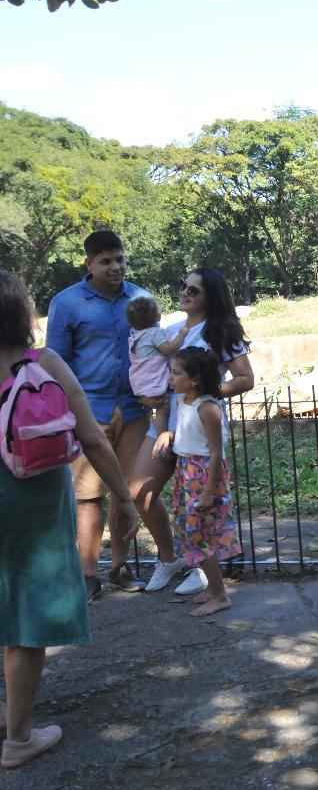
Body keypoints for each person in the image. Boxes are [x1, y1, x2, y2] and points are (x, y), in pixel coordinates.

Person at [0, 270, 135, 768]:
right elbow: (95, 440)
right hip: (33, 504)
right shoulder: (45, 363)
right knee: (27, 619)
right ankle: (18, 738)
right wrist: (122, 497)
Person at [128, 268, 254, 597]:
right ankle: (170, 559)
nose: (185, 293)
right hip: (165, 424)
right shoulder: (171, 331)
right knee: (140, 493)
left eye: (194, 290)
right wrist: (152, 401)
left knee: (196, 505)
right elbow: (157, 376)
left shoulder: (222, 331)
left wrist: (203, 393)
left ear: (210, 296)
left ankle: (200, 569)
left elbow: (245, 378)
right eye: (183, 286)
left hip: (197, 431)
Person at [45, 230, 150, 599]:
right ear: (89, 263)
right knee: (89, 495)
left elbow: (152, 350)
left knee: (127, 491)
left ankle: (120, 566)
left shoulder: (140, 297)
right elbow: (55, 362)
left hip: (135, 409)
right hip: (89, 412)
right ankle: (89, 574)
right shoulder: (67, 303)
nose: (115, 266)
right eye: (106, 261)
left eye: (119, 259)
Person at [153, 348, 241, 617]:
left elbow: (216, 453)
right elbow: (190, 435)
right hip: (186, 472)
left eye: (176, 373)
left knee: (201, 537)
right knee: (190, 534)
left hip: (203, 477)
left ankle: (220, 595)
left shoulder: (207, 407)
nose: (171, 377)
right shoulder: (184, 401)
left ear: (195, 380)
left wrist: (208, 492)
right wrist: (170, 434)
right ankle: (214, 589)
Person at [126, 296, 189, 398]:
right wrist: (181, 335)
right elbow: (169, 349)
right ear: (157, 316)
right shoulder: (154, 333)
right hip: (154, 383)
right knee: (163, 407)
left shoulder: (134, 335)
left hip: (140, 383)